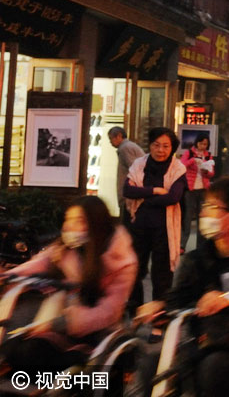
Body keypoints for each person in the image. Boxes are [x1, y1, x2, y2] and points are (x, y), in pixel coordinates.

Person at [136, 176, 229, 397]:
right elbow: (178, 299)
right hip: (209, 342)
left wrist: (228, 299)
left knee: (213, 369)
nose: (203, 212)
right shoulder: (198, 258)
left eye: (211, 206)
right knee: (152, 365)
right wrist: (159, 307)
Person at [0, 196, 137, 373]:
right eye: (68, 219)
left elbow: (109, 313)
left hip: (98, 337)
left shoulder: (121, 261)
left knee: (31, 358)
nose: (69, 226)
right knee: (13, 349)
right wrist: (8, 276)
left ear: (96, 224)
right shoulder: (66, 248)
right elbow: (41, 262)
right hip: (63, 325)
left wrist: (63, 323)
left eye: (78, 220)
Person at [123, 127, 186, 316]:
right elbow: (127, 191)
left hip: (165, 231)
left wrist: (143, 195)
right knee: (134, 270)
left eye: (166, 146)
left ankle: (158, 322)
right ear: (150, 145)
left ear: (172, 148)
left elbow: (173, 197)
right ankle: (135, 314)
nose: (160, 150)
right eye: (156, 145)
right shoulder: (138, 164)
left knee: (162, 277)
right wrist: (155, 191)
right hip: (138, 227)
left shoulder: (178, 169)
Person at [179, 134, 215, 253]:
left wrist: (206, 171)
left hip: (203, 189)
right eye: (201, 143)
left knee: (202, 217)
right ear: (197, 143)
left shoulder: (208, 155)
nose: (203, 146)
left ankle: (200, 246)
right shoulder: (189, 153)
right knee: (187, 217)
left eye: (205, 144)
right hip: (191, 189)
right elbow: (182, 165)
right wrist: (192, 161)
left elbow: (211, 173)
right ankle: (182, 245)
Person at [108, 126, 145, 222]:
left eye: (111, 138)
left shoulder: (125, 148)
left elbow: (134, 169)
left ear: (119, 136)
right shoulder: (129, 146)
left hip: (129, 196)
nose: (110, 142)